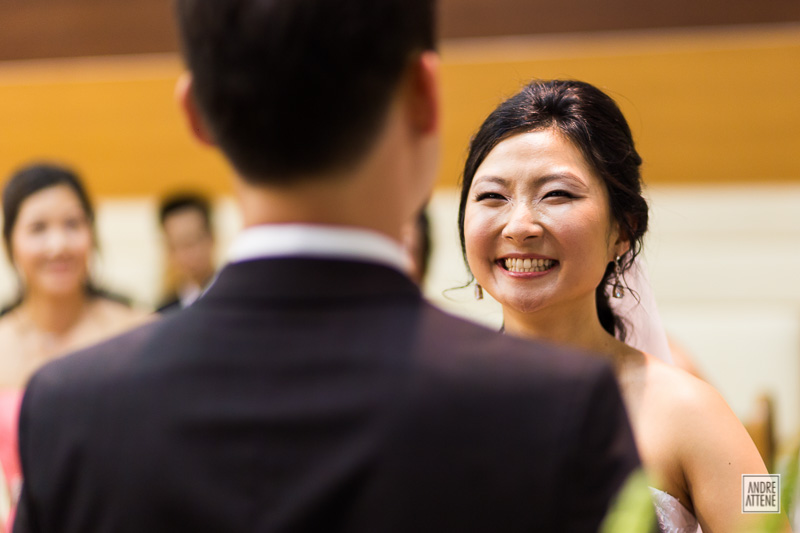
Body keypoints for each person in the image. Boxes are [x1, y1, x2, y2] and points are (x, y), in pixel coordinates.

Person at [14, 4, 641, 532]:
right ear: (425, 94)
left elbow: (751, 493)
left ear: (196, 112)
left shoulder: (69, 409)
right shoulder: (552, 408)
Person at [459, 79, 773, 532]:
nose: (519, 225)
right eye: (492, 196)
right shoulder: (433, 396)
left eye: (557, 194)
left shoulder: (694, 410)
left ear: (622, 230)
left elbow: (768, 513)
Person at [0, 162, 148, 530]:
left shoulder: (140, 333)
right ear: (10, 242)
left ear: (92, 233)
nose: (58, 245)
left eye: (72, 224)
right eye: (38, 228)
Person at [156, 192, 217, 313]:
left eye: (192, 241)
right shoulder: (163, 314)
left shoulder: (235, 300)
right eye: (179, 244)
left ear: (212, 238)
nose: (189, 254)